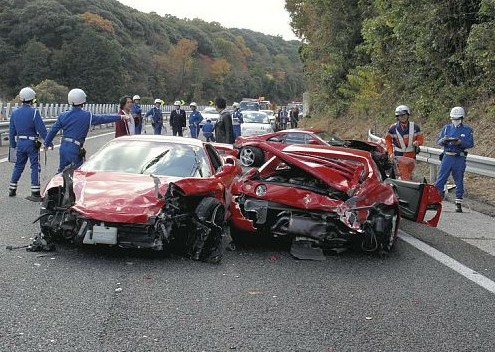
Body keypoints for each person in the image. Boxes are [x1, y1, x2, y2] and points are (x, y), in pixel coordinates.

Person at [44, 88, 129, 173]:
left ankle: (59, 185)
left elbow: (52, 130)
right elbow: (103, 118)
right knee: (78, 173)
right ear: (83, 101)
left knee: (62, 172)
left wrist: (47, 143)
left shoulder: (63, 115)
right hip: (75, 148)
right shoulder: (87, 116)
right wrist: (120, 117)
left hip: (63, 147)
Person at [8, 87, 50, 201]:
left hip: (20, 143)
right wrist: (48, 141)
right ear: (32, 99)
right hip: (31, 143)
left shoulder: (15, 112)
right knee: (35, 166)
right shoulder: (34, 112)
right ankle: (35, 191)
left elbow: (11, 131)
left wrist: (13, 145)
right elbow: (41, 129)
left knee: (18, 165)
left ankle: (12, 188)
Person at [434, 106, 474, 213]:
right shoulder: (446, 128)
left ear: (462, 118)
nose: (456, 121)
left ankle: (458, 202)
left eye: (458, 119)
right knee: (441, 178)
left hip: (459, 157)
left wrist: (460, 142)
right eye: (454, 119)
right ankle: (436, 200)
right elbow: (439, 141)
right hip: (447, 156)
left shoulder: (467, 130)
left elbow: (470, 143)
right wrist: (444, 140)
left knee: (458, 179)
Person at [384, 105, 424, 180]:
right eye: (400, 116)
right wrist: (390, 152)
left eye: (404, 115)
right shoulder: (393, 128)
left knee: (410, 174)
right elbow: (388, 140)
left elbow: (421, 139)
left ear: (408, 115)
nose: (402, 117)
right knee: (405, 176)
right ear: (397, 117)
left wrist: (417, 142)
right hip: (399, 155)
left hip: (411, 156)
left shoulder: (415, 127)